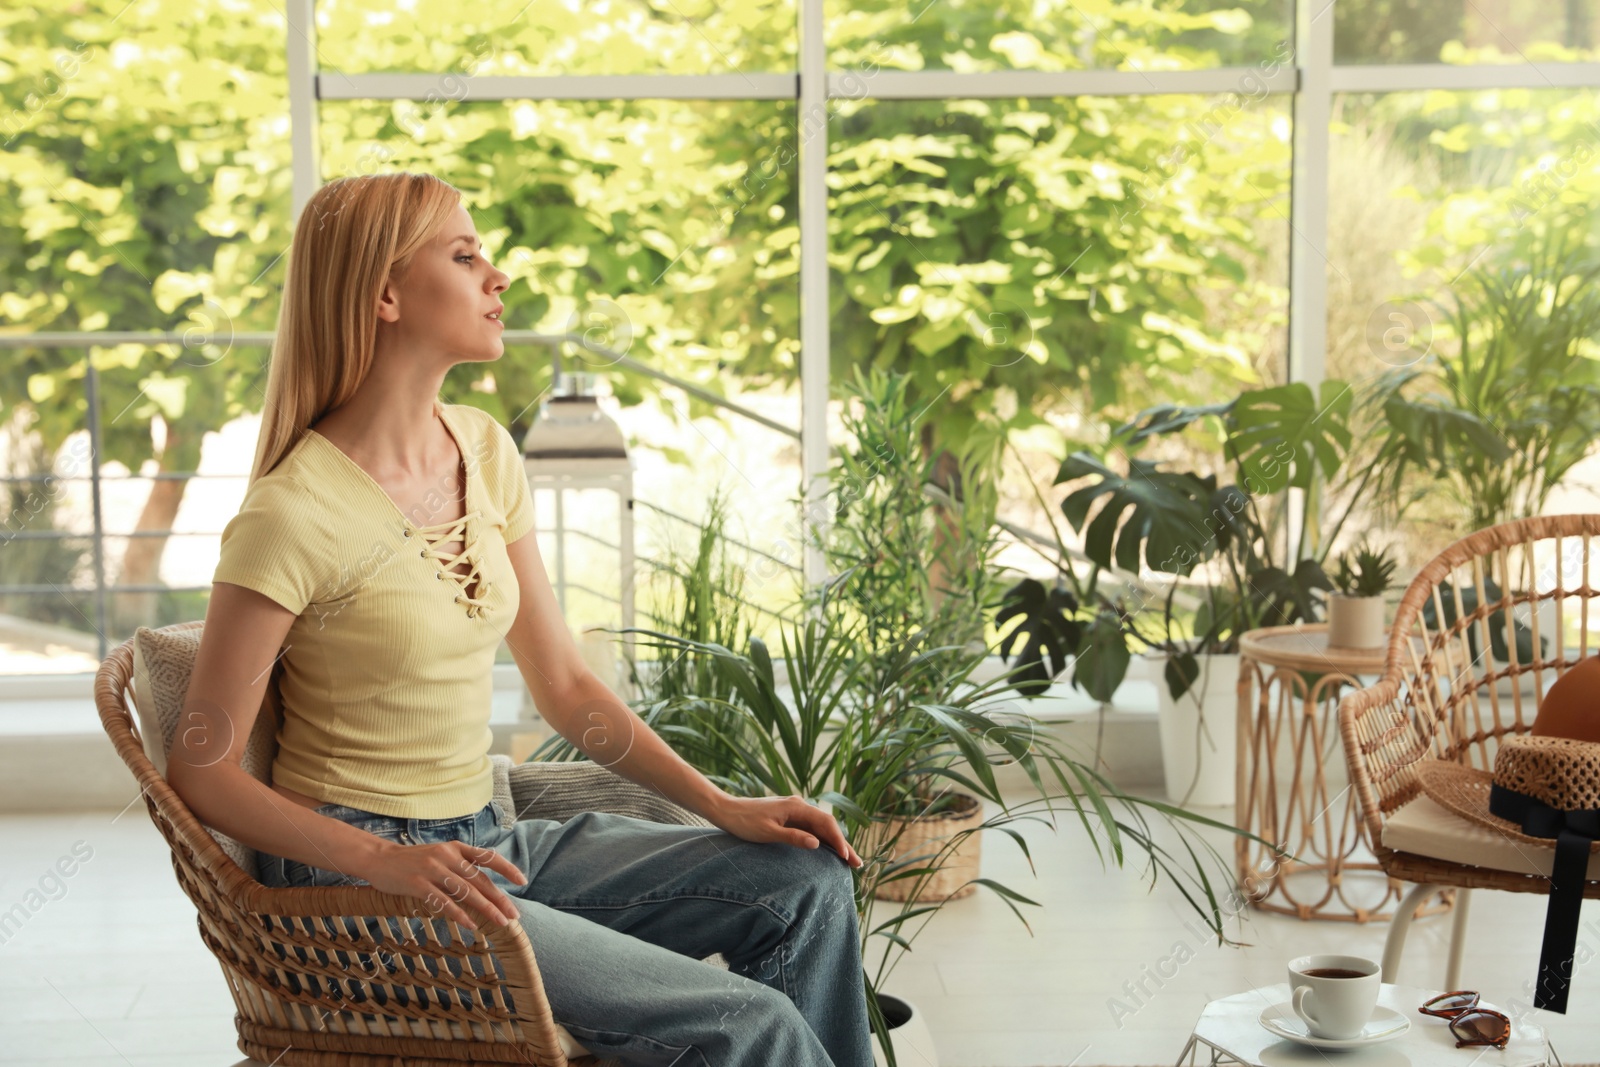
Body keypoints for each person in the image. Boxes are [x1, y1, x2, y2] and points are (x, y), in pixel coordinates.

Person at [167, 171, 874, 1067]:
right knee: (747, 1021)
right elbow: (201, 768)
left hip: (486, 841)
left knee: (804, 882)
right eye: (465, 257)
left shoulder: (486, 448)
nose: (498, 277)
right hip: (361, 887)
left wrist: (720, 805)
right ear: (384, 294)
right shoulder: (292, 511)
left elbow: (568, 686)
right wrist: (385, 864)